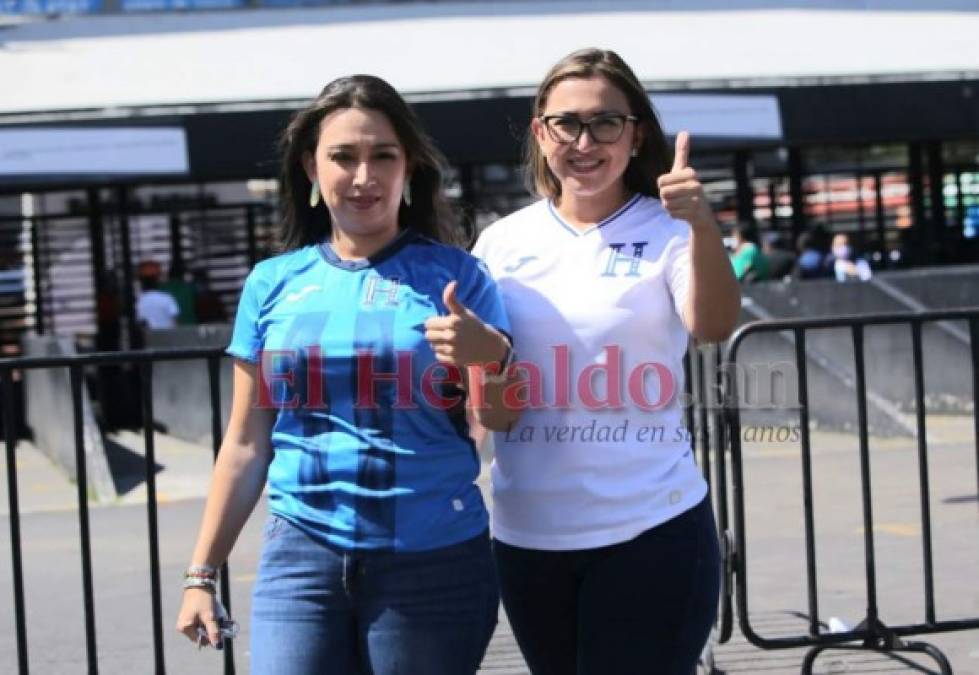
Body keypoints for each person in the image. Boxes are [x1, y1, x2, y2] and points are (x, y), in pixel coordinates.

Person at [175, 75, 519, 675]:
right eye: (343, 156)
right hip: (299, 558)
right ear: (312, 168)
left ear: (408, 167)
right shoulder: (270, 283)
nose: (364, 177)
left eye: (383, 156)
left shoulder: (459, 278)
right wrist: (201, 574)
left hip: (432, 560)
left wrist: (489, 355)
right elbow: (246, 443)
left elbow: (500, 417)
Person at [472, 48, 740, 674]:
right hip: (528, 537)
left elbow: (715, 325)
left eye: (605, 123)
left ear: (635, 133)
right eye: (566, 123)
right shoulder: (500, 244)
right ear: (541, 133)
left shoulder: (670, 229)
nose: (584, 141)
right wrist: (478, 364)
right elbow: (494, 410)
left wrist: (703, 224)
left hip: (652, 528)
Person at [135, 261, 179, 329]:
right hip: (167, 336)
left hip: (150, 337)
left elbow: (140, 323)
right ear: (157, 281)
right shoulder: (167, 298)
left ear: (142, 282)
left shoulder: (139, 301)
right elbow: (175, 321)